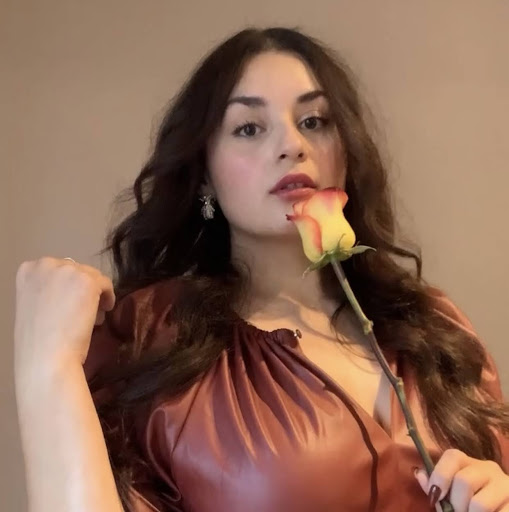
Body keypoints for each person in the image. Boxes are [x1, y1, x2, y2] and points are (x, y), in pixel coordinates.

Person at [14, 26, 509, 512]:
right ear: (204, 175)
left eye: (314, 121)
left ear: (346, 153)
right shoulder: (152, 336)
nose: (293, 145)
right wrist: (46, 370)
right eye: (249, 128)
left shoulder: (434, 328)